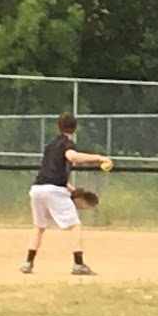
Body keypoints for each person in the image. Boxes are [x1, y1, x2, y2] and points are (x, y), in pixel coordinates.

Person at [19, 111, 113, 276]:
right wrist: (99, 158)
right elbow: (72, 156)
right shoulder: (67, 144)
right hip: (52, 189)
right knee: (75, 225)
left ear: (58, 127)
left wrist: (72, 190)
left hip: (37, 189)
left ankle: (28, 263)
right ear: (75, 128)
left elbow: (52, 174)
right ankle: (78, 264)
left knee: (39, 227)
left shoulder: (50, 146)